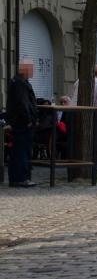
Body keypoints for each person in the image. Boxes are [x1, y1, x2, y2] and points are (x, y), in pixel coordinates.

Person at [6, 59, 38, 187]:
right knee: (22, 151)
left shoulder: (17, 81)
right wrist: (29, 120)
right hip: (22, 123)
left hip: (18, 121)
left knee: (18, 150)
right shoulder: (20, 83)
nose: (33, 72)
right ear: (25, 69)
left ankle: (16, 178)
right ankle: (21, 178)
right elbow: (23, 103)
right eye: (31, 69)